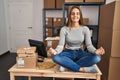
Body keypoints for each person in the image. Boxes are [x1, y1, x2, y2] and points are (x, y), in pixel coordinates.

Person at [48, 6, 105, 72]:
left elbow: (89, 46)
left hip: (80, 53)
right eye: (73, 14)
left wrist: (95, 51)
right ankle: (81, 69)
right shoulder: (64, 29)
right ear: (70, 16)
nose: (75, 15)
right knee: (55, 57)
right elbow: (61, 46)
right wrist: (55, 51)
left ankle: (68, 67)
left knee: (97, 58)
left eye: (77, 13)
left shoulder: (85, 29)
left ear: (80, 16)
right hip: (67, 53)